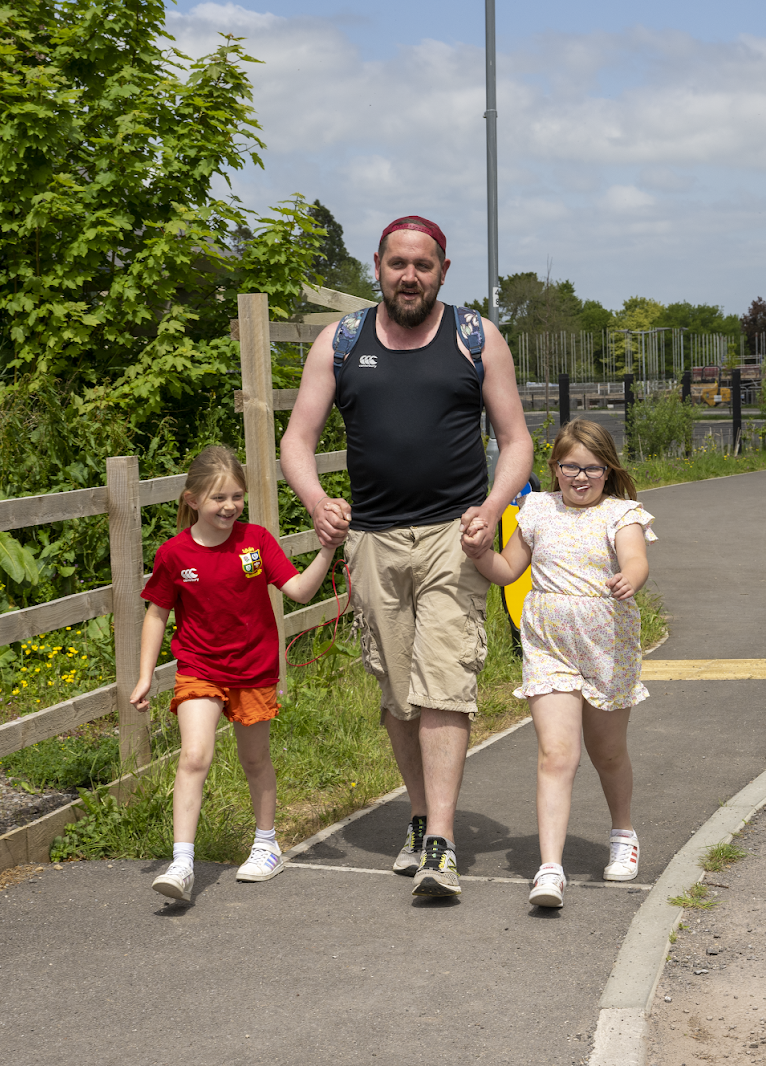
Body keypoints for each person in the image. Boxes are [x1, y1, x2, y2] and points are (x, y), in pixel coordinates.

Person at [280, 215, 532, 898]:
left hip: (456, 537)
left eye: (424, 265)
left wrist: (491, 507)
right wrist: (314, 501)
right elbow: (297, 440)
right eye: (398, 264)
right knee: (399, 696)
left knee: (445, 684)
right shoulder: (343, 341)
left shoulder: (476, 339)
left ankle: (441, 846)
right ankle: (420, 820)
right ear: (378, 267)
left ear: (444, 270)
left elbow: (515, 441)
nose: (410, 276)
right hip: (371, 542)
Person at [461, 419, 654, 909]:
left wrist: (629, 579)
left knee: (607, 752)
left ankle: (623, 833)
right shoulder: (537, 508)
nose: (581, 477)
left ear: (608, 471)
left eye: (592, 468)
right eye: (571, 467)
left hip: (608, 646)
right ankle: (550, 869)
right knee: (556, 754)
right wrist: (479, 551)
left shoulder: (622, 513)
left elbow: (635, 559)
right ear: (555, 468)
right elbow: (507, 571)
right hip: (548, 645)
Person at [129, 446, 336, 902]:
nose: (228, 506)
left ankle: (266, 845)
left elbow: (299, 590)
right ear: (192, 500)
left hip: (253, 670)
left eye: (236, 497)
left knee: (255, 761)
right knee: (194, 756)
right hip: (199, 669)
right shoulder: (173, 554)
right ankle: (183, 862)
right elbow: (156, 613)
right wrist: (145, 674)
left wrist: (327, 550)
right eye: (218, 497)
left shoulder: (256, 541)